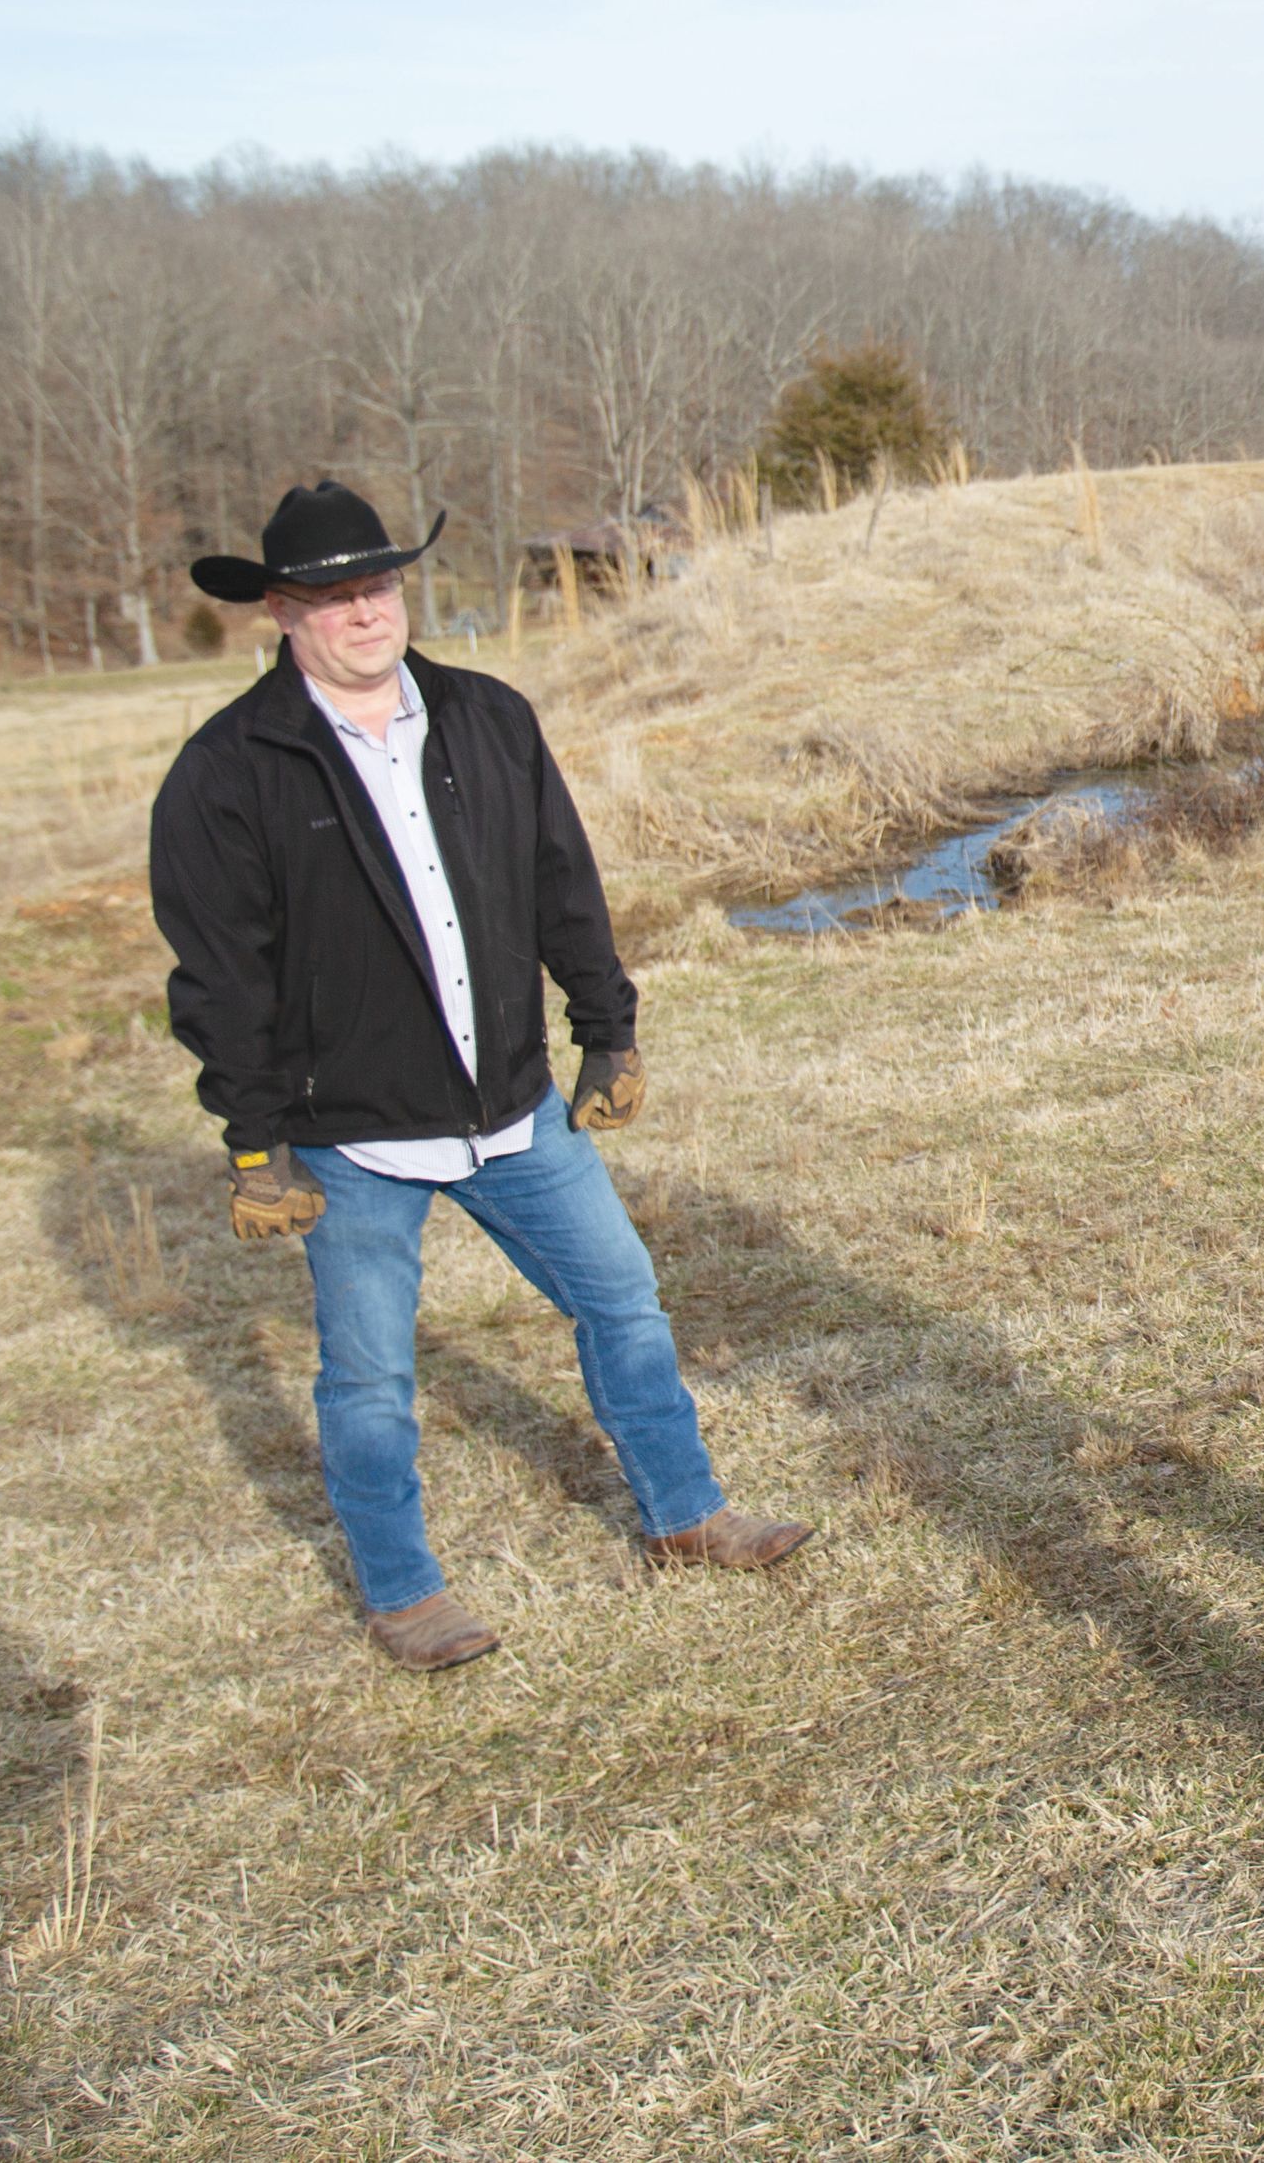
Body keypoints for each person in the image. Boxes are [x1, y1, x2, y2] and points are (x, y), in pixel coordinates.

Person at [149, 482, 810, 1671]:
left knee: (623, 1299)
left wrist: (608, 1030)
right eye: (338, 595)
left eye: (382, 586)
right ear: (285, 611)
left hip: (515, 1110)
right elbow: (218, 978)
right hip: (348, 1135)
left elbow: (565, 882)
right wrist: (254, 1142)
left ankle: (686, 1515)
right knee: (367, 1377)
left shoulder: (487, 718)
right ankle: (404, 1595)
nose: (367, 612)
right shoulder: (230, 769)